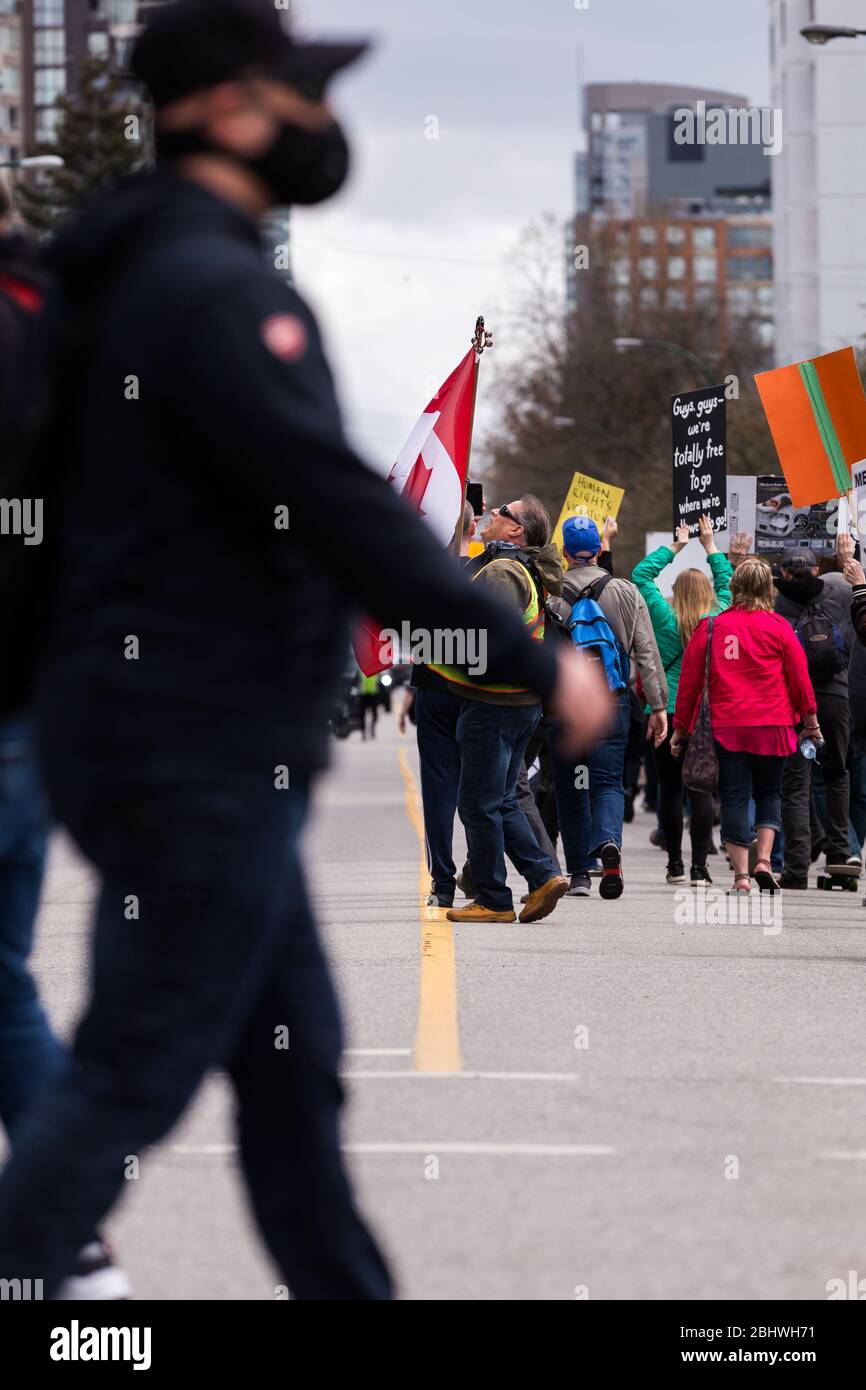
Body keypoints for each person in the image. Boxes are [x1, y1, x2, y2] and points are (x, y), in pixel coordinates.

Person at [0, 0, 610, 1299]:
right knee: (132, 1069)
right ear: (227, 108)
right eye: (302, 92)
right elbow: (335, 504)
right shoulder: (210, 289)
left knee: (292, 1070)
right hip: (193, 740)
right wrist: (528, 654)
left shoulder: (109, 283)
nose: (325, 122)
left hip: (160, 735)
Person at [432, 496, 572, 924]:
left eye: (503, 513)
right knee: (502, 798)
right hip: (515, 704)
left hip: (494, 705)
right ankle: (543, 874)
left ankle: (493, 898)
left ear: (517, 532)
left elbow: (487, 636)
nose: (493, 515)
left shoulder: (503, 571)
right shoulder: (514, 567)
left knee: (477, 804)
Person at [673, 557, 818, 895]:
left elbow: (690, 682)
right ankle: (765, 861)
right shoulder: (780, 626)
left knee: (735, 797)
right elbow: (799, 678)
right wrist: (810, 720)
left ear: (733, 588)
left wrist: (681, 726)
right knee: (770, 793)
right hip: (775, 724)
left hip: (728, 726)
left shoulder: (711, 627)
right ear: (769, 589)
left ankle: (741, 876)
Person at [551, 515, 668, 899]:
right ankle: (607, 843)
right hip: (613, 699)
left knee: (569, 786)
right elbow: (647, 652)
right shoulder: (625, 591)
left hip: (566, 701)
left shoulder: (552, 592)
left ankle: (580, 874)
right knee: (607, 782)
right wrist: (658, 705)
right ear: (600, 550)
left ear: (565, 552)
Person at [631, 515, 733, 886]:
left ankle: (674, 863)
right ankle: (700, 868)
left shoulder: (661, 615)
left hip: (664, 709)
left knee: (670, 788)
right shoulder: (718, 617)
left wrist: (677, 545)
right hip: (704, 714)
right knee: (701, 789)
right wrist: (709, 547)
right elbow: (729, 584)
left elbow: (641, 575)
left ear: (675, 590)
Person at [774, 538, 854, 888]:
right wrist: (847, 560)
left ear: (784, 572)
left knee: (795, 786)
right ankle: (839, 855)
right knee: (837, 775)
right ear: (817, 570)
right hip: (837, 697)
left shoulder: (776, 604)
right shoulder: (838, 594)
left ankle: (795, 868)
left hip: (793, 703)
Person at [358, 670, 380, 740]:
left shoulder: (376, 671)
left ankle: (372, 728)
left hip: (373, 695)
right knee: (362, 715)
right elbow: (356, 681)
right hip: (363, 695)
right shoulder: (360, 671)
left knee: (375, 715)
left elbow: (379, 682)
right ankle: (363, 733)